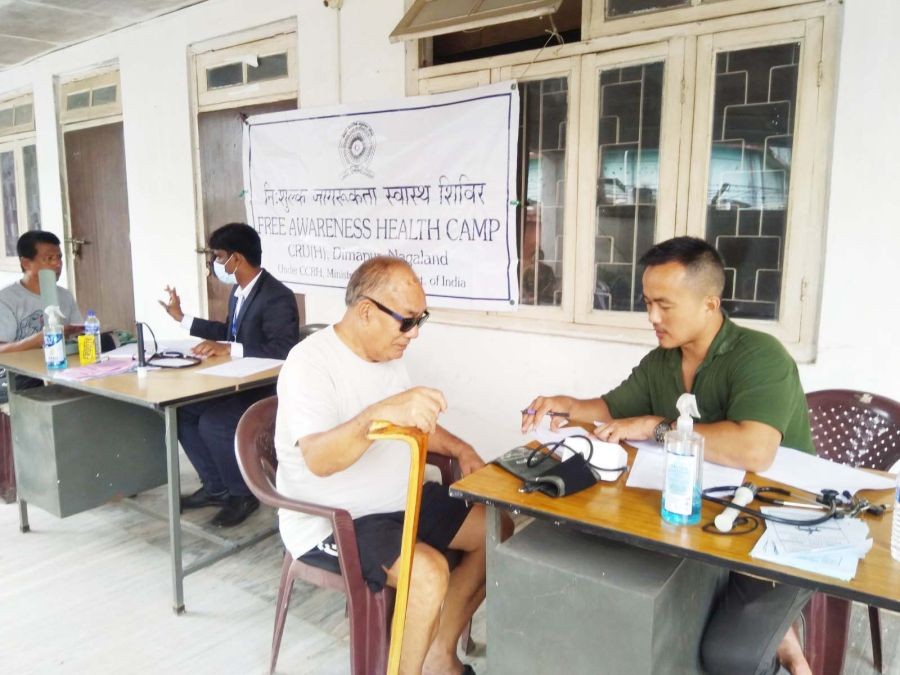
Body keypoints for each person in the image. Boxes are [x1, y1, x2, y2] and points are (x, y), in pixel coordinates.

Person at [521, 236, 813, 675]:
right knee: (626, 597)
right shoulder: (662, 360)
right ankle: (770, 629)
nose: (652, 317)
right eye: (647, 303)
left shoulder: (760, 356)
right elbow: (610, 409)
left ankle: (783, 629)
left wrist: (657, 428)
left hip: (767, 527)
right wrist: (565, 404)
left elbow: (755, 448)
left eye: (665, 305)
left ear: (710, 303)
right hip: (695, 521)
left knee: (728, 657)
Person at [275, 256, 510, 675]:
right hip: (338, 520)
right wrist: (379, 411)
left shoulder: (388, 354)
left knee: (496, 527)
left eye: (422, 319)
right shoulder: (308, 363)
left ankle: (440, 653)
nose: (414, 333)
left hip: (402, 501)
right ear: (366, 311)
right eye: (407, 321)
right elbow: (319, 459)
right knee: (428, 573)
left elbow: (415, 425)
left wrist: (460, 448)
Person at [161, 223, 299, 527]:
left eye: (219, 257)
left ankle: (242, 494)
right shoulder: (240, 292)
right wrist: (183, 319)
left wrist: (229, 350)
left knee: (214, 422)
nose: (216, 264)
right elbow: (230, 333)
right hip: (238, 382)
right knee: (183, 412)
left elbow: (283, 349)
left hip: (265, 388)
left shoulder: (277, 296)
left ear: (236, 258)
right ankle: (216, 488)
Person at [0, 230, 83, 355]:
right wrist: (38, 340)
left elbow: (79, 335)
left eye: (59, 257)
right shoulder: (6, 299)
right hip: (20, 372)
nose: (58, 264)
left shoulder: (65, 295)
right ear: (26, 263)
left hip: (62, 367)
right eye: (49, 259)